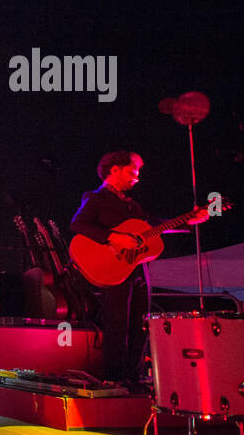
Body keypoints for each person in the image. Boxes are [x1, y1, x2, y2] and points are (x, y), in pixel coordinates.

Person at [70, 150, 206, 384]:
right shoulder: (95, 198)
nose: (137, 177)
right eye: (133, 170)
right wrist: (112, 237)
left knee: (139, 323)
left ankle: (133, 376)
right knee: (117, 323)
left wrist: (188, 220)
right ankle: (113, 377)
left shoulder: (134, 206)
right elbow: (78, 224)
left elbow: (154, 226)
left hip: (137, 270)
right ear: (115, 170)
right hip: (113, 268)